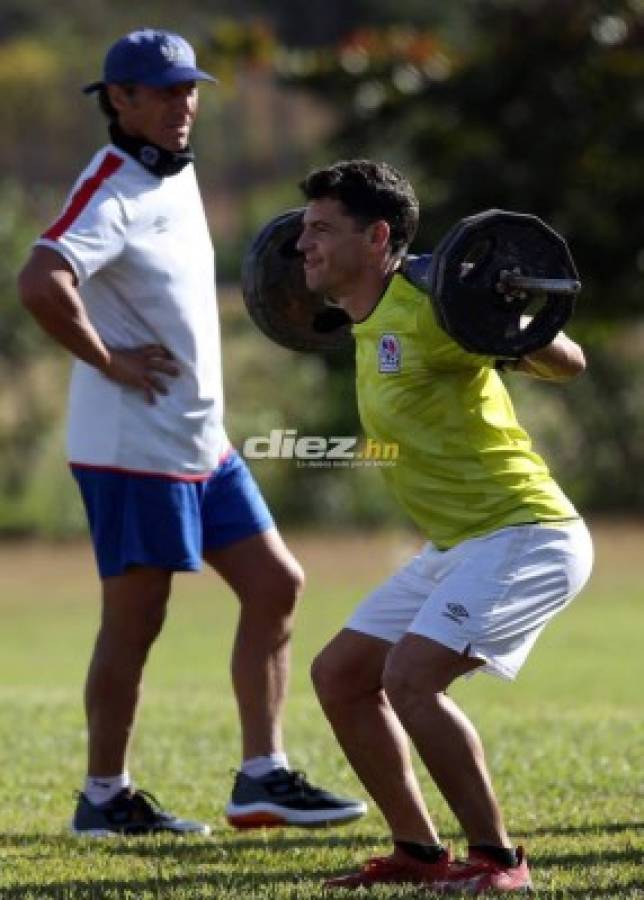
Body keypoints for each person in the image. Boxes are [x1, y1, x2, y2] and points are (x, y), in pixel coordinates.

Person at [17, 30, 366, 837]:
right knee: (135, 623)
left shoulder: (171, 173)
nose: (183, 105)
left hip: (197, 443)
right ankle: (105, 797)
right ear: (119, 100)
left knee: (277, 584)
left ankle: (262, 779)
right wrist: (108, 359)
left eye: (189, 89)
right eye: (163, 92)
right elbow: (41, 279)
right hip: (132, 447)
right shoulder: (110, 185)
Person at [295, 160, 593, 893]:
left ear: (378, 238)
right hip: (460, 544)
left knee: (412, 680)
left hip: (528, 531)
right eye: (302, 230)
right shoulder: (367, 321)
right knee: (340, 676)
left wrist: (498, 305)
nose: (303, 245)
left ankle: (499, 861)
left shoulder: (430, 307)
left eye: (321, 230)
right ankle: (418, 854)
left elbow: (569, 363)